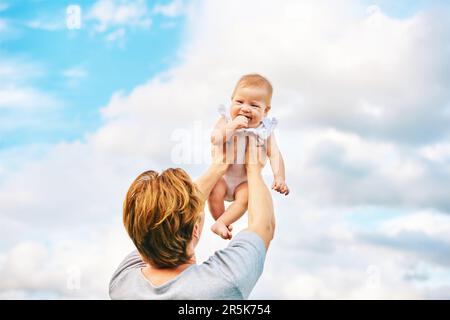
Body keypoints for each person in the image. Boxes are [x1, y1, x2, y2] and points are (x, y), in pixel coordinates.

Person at [109, 137, 275, 299]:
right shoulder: (224, 282)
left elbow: (156, 223)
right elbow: (263, 226)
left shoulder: (123, 284)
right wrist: (254, 170)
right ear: (195, 230)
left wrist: (219, 167)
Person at [209, 74, 289, 240]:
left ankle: (223, 221)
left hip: (243, 181)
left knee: (246, 197)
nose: (245, 108)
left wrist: (279, 177)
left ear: (265, 111)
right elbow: (215, 139)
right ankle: (220, 220)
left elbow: (274, 153)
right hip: (223, 177)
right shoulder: (226, 119)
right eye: (239, 102)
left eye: (253, 105)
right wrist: (232, 126)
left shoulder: (264, 130)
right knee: (214, 190)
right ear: (231, 100)